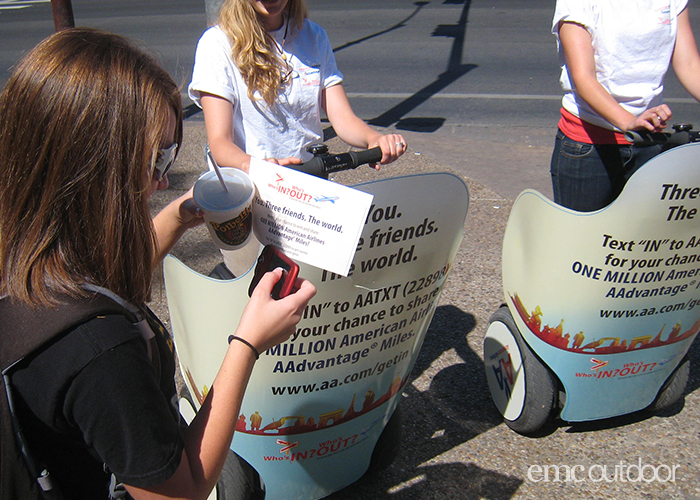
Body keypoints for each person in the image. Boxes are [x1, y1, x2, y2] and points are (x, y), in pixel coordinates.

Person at [0, 28, 316, 500]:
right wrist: (249, 343)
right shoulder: (100, 353)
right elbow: (182, 491)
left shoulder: (26, 255)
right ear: (93, 165)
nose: (165, 180)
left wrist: (178, 215)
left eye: (169, 156)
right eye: (155, 160)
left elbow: (101, 284)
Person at [188, 0, 407, 173]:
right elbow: (220, 142)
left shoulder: (313, 35)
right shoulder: (217, 43)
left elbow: (343, 119)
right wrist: (255, 167)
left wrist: (374, 138)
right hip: (250, 186)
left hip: (309, 181)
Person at [550, 0, 700, 212]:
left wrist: (637, 124)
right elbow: (584, 79)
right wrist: (629, 120)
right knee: (583, 239)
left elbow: (689, 65)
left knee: (643, 240)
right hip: (589, 146)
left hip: (648, 141)